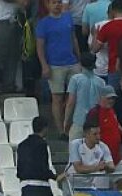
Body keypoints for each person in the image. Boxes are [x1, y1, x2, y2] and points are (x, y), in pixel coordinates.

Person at [37, 0, 81, 138]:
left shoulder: (68, 17)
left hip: (72, 62)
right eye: (54, 3)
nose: (57, 5)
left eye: (58, 2)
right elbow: (40, 46)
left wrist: (78, 57)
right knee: (57, 97)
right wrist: (44, 65)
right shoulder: (43, 23)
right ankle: (61, 130)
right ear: (47, 5)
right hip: (55, 65)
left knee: (75, 95)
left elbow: (73, 38)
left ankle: (71, 124)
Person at [68, 120, 117, 189]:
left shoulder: (103, 146)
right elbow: (78, 168)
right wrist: (97, 167)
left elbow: (112, 167)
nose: (98, 137)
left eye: (99, 133)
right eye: (95, 134)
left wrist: (106, 167)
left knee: (103, 175)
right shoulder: (75, 145)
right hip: (74, 183)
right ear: (86, 134)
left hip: (90, 185)